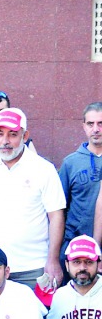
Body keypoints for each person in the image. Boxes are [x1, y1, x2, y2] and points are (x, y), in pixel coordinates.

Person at [0, 107, 66, 290]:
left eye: (13, 134)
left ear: (25, 136)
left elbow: (56, 216)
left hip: (33, 268)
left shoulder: (44, 169)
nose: (5, 141)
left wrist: (53, 260)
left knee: (35, 318)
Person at [62, 103, 102, 243]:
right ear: (84, 126)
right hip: (77, 247)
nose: (96, 129)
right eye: (91, 124)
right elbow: (60, 209)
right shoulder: (70, 163)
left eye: (100, 123)